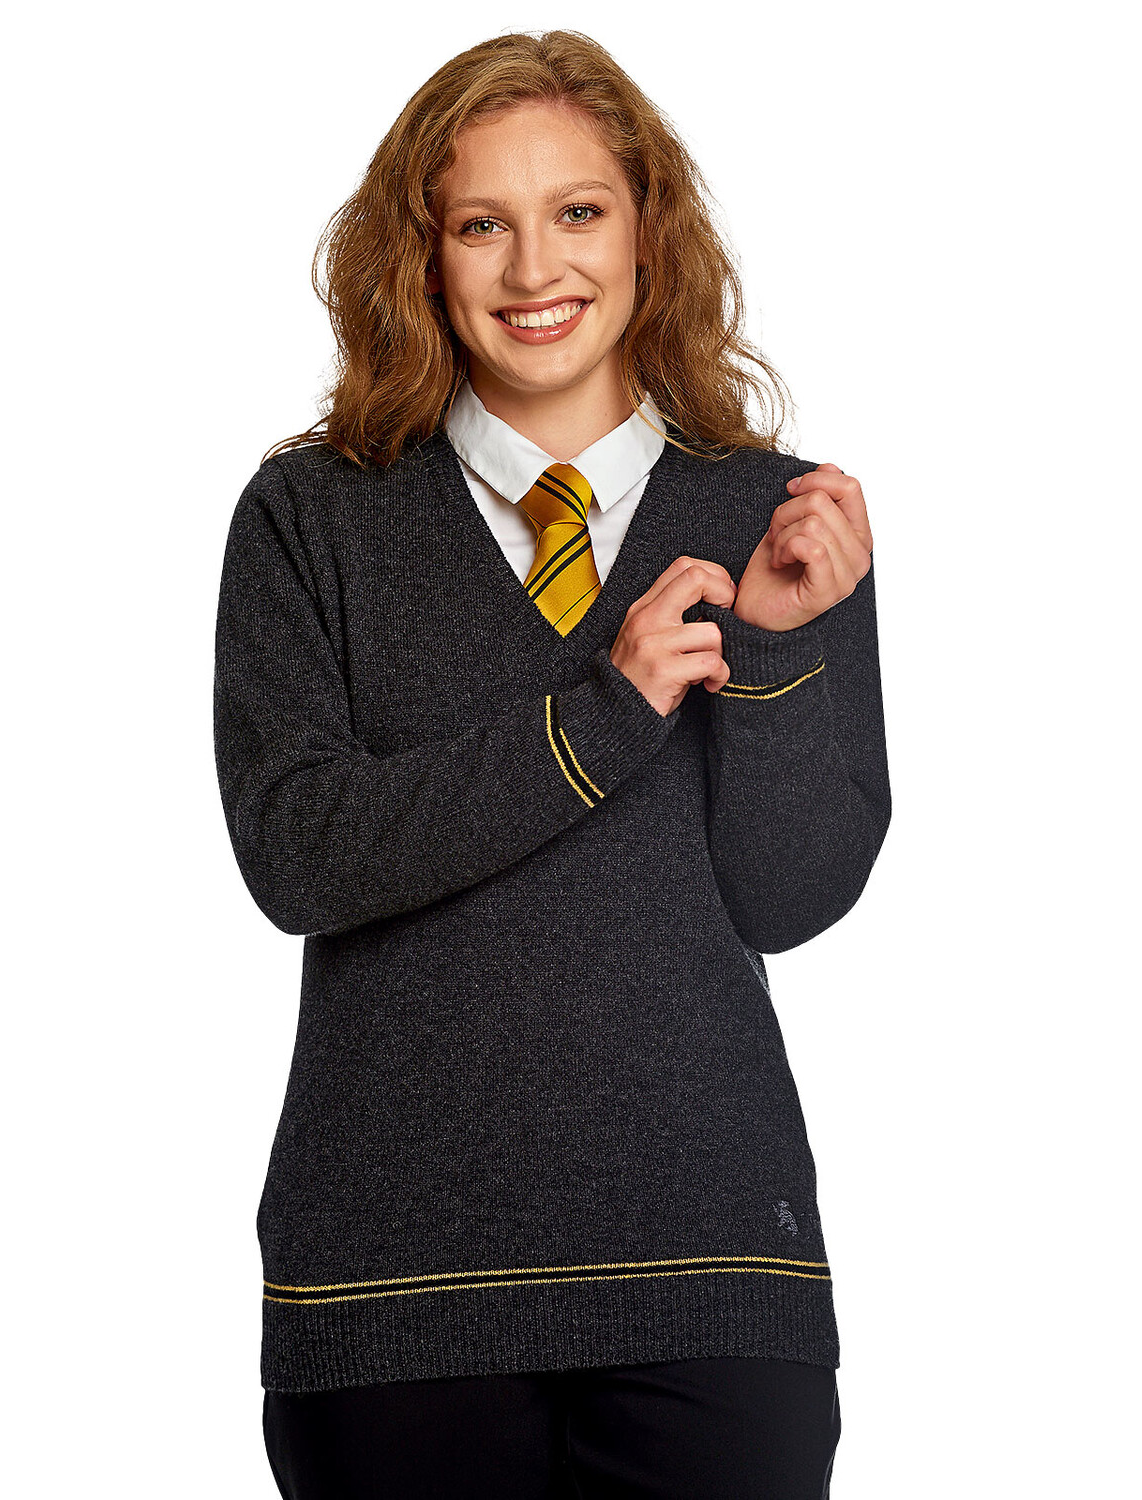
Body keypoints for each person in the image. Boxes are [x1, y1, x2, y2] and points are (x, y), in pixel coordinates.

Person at [213, 28, 891, 1500]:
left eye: (578, 210)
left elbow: (789, 897)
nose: (536, 269)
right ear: (421, 255)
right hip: (392, 1291)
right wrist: (603, 715)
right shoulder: (310, 518)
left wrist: (774, 655)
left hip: (712, 1276)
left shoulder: (779, 516)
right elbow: (299, 852)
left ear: (650, 229)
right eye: (482, 223)